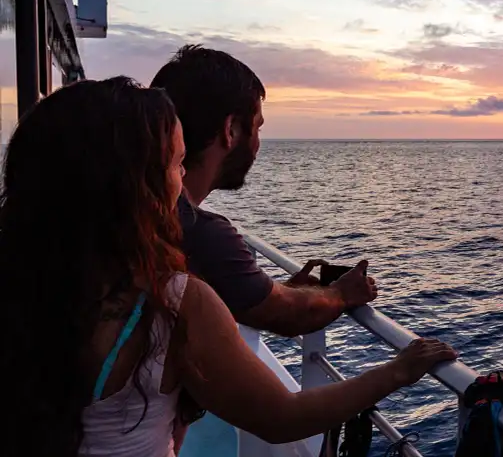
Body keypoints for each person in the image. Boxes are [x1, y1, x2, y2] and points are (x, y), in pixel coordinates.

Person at [0, 77, 456, 457]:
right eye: (176, 165)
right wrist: (397, 371)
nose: (181, 183)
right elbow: (281, 418)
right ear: (136, 189)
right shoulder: (174, 304)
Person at [151, 45, 368, 337]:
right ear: (231, 130)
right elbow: (284, 314)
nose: (257, 145)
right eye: (258, 128)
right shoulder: (195, 231)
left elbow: (256, 300)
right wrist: (341, 293)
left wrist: (285, 291)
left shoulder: (133, 209)